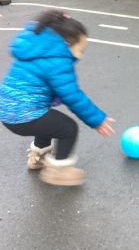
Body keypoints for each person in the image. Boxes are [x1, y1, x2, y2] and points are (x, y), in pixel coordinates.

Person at [0, 10, 115, 186]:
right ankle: (59, 171)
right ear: (67, 44)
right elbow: (72, 96)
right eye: (80, 50)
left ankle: (39, 155)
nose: (81, 55)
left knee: (46, 120)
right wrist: (97, 119)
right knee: (68, 128)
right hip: (23, 114)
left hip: (6, 110)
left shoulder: (35, 47)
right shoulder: (58, 61)